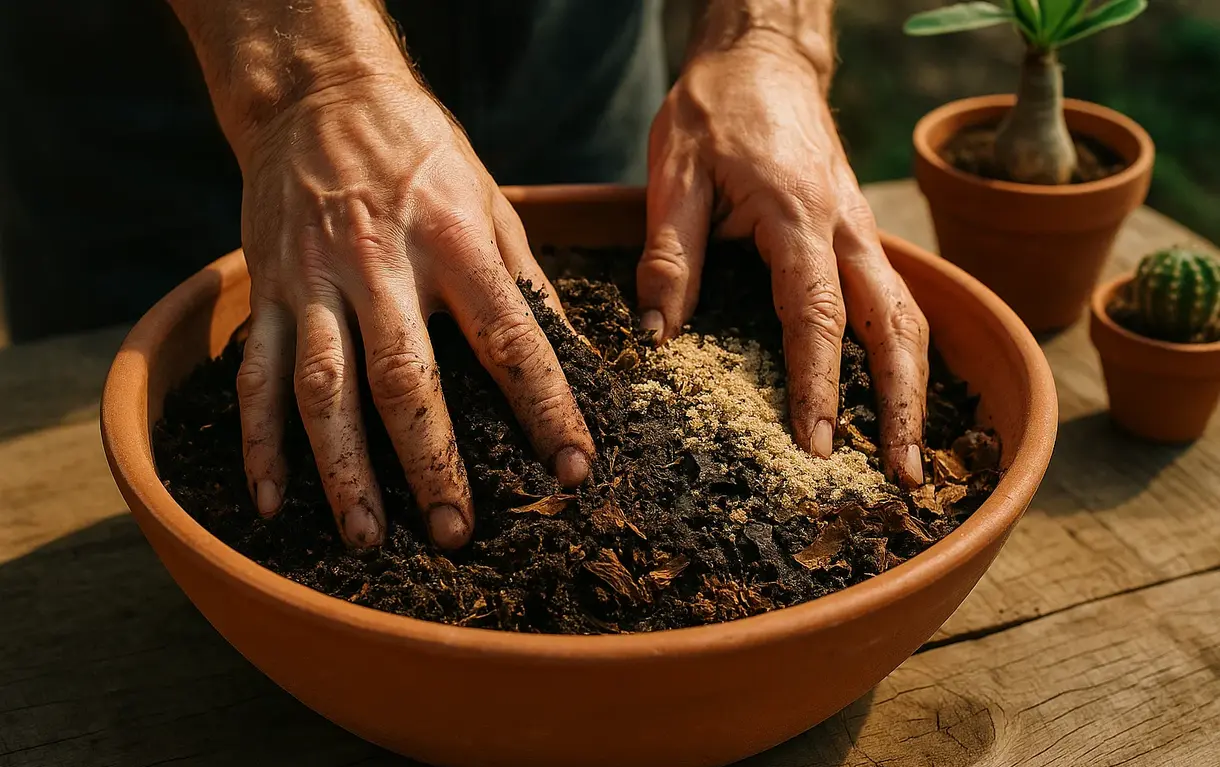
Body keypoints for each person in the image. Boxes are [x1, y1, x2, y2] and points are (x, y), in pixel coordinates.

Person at [1, 0, 929, 550]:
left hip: (556, 49)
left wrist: (767, 38)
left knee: (536, 308)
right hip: (188, 86)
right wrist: (306, 80)